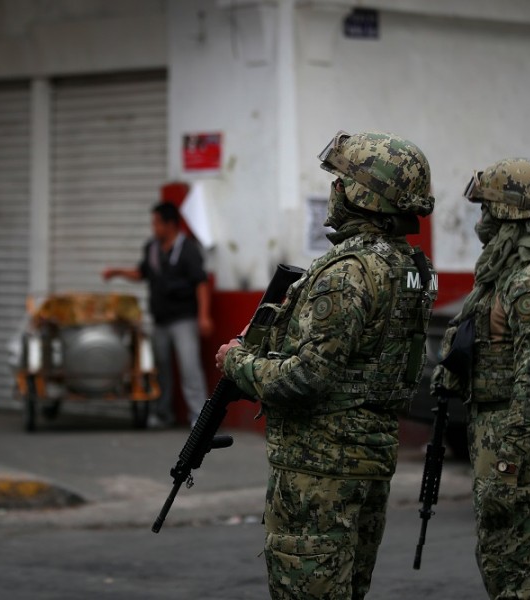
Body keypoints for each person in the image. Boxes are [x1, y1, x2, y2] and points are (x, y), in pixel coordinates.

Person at [215, 130, 437, 599]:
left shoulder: (347, 272)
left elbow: (306, 377)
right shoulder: (412, 268)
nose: (333, 190)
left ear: (362, 194)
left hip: (320, 471)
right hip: (368, 459)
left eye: (341, 181)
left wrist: (238, 362)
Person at [430, 158, 530, 599]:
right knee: (499, 558)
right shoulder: (508, 272)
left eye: (488, 209)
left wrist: (511, 454)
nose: (481, 221)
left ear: (510, 213)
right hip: (497, 429)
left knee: (513, 566)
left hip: (512, 434)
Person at [102, 201, 213, 427]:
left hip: (183, 319)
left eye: (156, 223)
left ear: (170, 224)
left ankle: (199, 417)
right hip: (160, 320)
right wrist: (117, 272)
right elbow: (141, 273)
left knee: (189, 367)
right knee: (160, 368)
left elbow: (201, 284)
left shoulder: (188, 250)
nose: (153, 227)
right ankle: (163, 413)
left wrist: (204, 316)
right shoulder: (151, 248)